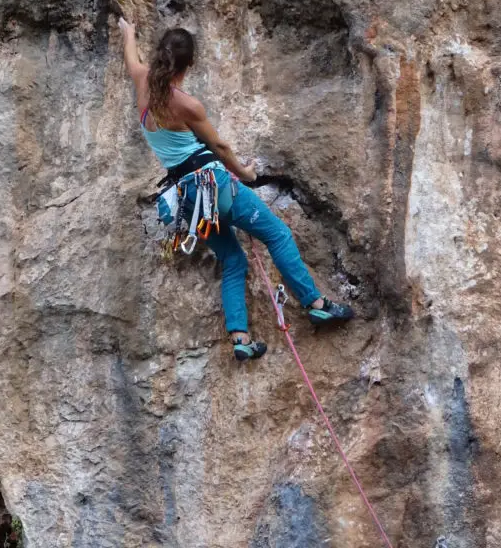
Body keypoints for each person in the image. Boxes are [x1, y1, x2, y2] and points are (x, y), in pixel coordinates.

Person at [119, 19, 354, 361]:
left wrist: (129, 33)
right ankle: (316, 304)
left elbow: (132, 60)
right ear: (191, 65)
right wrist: (246, 174)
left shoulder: (142, 84)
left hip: (189, 203)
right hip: (215, 188)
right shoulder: (186, 105)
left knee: (232, 260)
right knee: (278, 235)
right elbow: (219, 147)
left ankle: (241, 339)